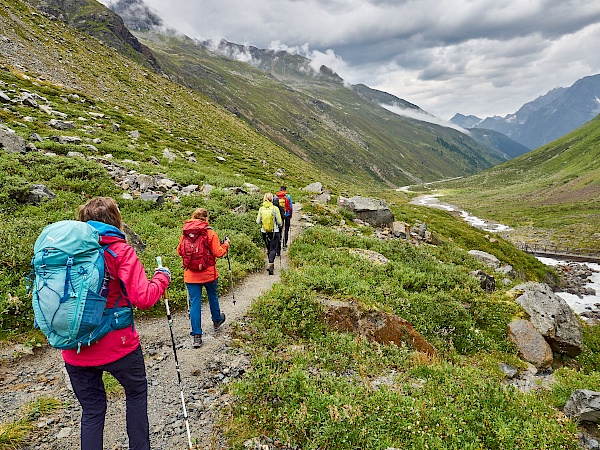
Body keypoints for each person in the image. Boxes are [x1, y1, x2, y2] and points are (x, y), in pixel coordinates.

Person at [63, 196, 171, 450]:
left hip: (74, 347)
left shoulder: (64, 251)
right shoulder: (120, 250)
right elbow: (143, 298)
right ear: (116, 220)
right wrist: (162, 278)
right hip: (118, 345)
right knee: (135, 393)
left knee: (92, 410)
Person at [177, 208, 229, 348]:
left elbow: (180, 251)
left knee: (195, 304)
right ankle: (217, 320)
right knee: (213, 296)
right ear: (206, 218)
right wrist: (226, 245)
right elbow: (218, 252)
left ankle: (197, 336)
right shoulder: (210, 232)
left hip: (190, 276)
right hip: (209, 274)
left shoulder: (186, 233)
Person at [256, 192, 282, 275]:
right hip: (274, 232)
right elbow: (279, 222)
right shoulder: (275, 208)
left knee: (268, 248)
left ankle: (271, 265)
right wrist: (280, 225)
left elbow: (257, 221)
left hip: (264, 232)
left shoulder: (261, 209)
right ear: (272, 199)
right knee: (273, 248)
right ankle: (270, 264)